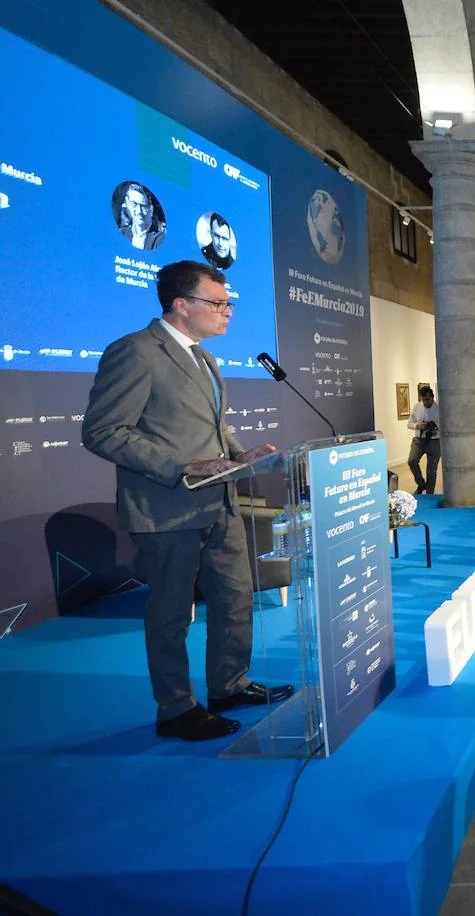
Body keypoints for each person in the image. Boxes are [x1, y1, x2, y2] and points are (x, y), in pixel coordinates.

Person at [81, 261, 290, 741]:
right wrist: (181, 467)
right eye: (218, 303)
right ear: (181, 305)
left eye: (228, 303)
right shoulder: (135, 352)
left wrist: (242, 455)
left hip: (219, 503)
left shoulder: (204, 357)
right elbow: (103, 431)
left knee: (235, 596)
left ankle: (229, 685)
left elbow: (209, 426)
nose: (228, 311)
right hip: (166, 506)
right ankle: (176, 709)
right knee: (172, 611)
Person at [407, 384, 440, 494]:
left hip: (435, 441)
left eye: (428, 399)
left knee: (431, 471)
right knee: (412, 461)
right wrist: (418, 425)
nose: (426, 402)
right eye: (423, 400)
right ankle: (421, 484)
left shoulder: (439, 408)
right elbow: (409, 424)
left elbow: (446, 425)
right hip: (419, 440)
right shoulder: (417, 407)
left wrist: (436, 429)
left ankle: (429, 494)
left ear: (432, 397)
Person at [115, 181, 166, 250]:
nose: (139, 211)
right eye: (134, 204)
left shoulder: (159, 239)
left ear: (151, 209)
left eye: (143, 206)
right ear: (127, 205)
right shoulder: (121, 233)